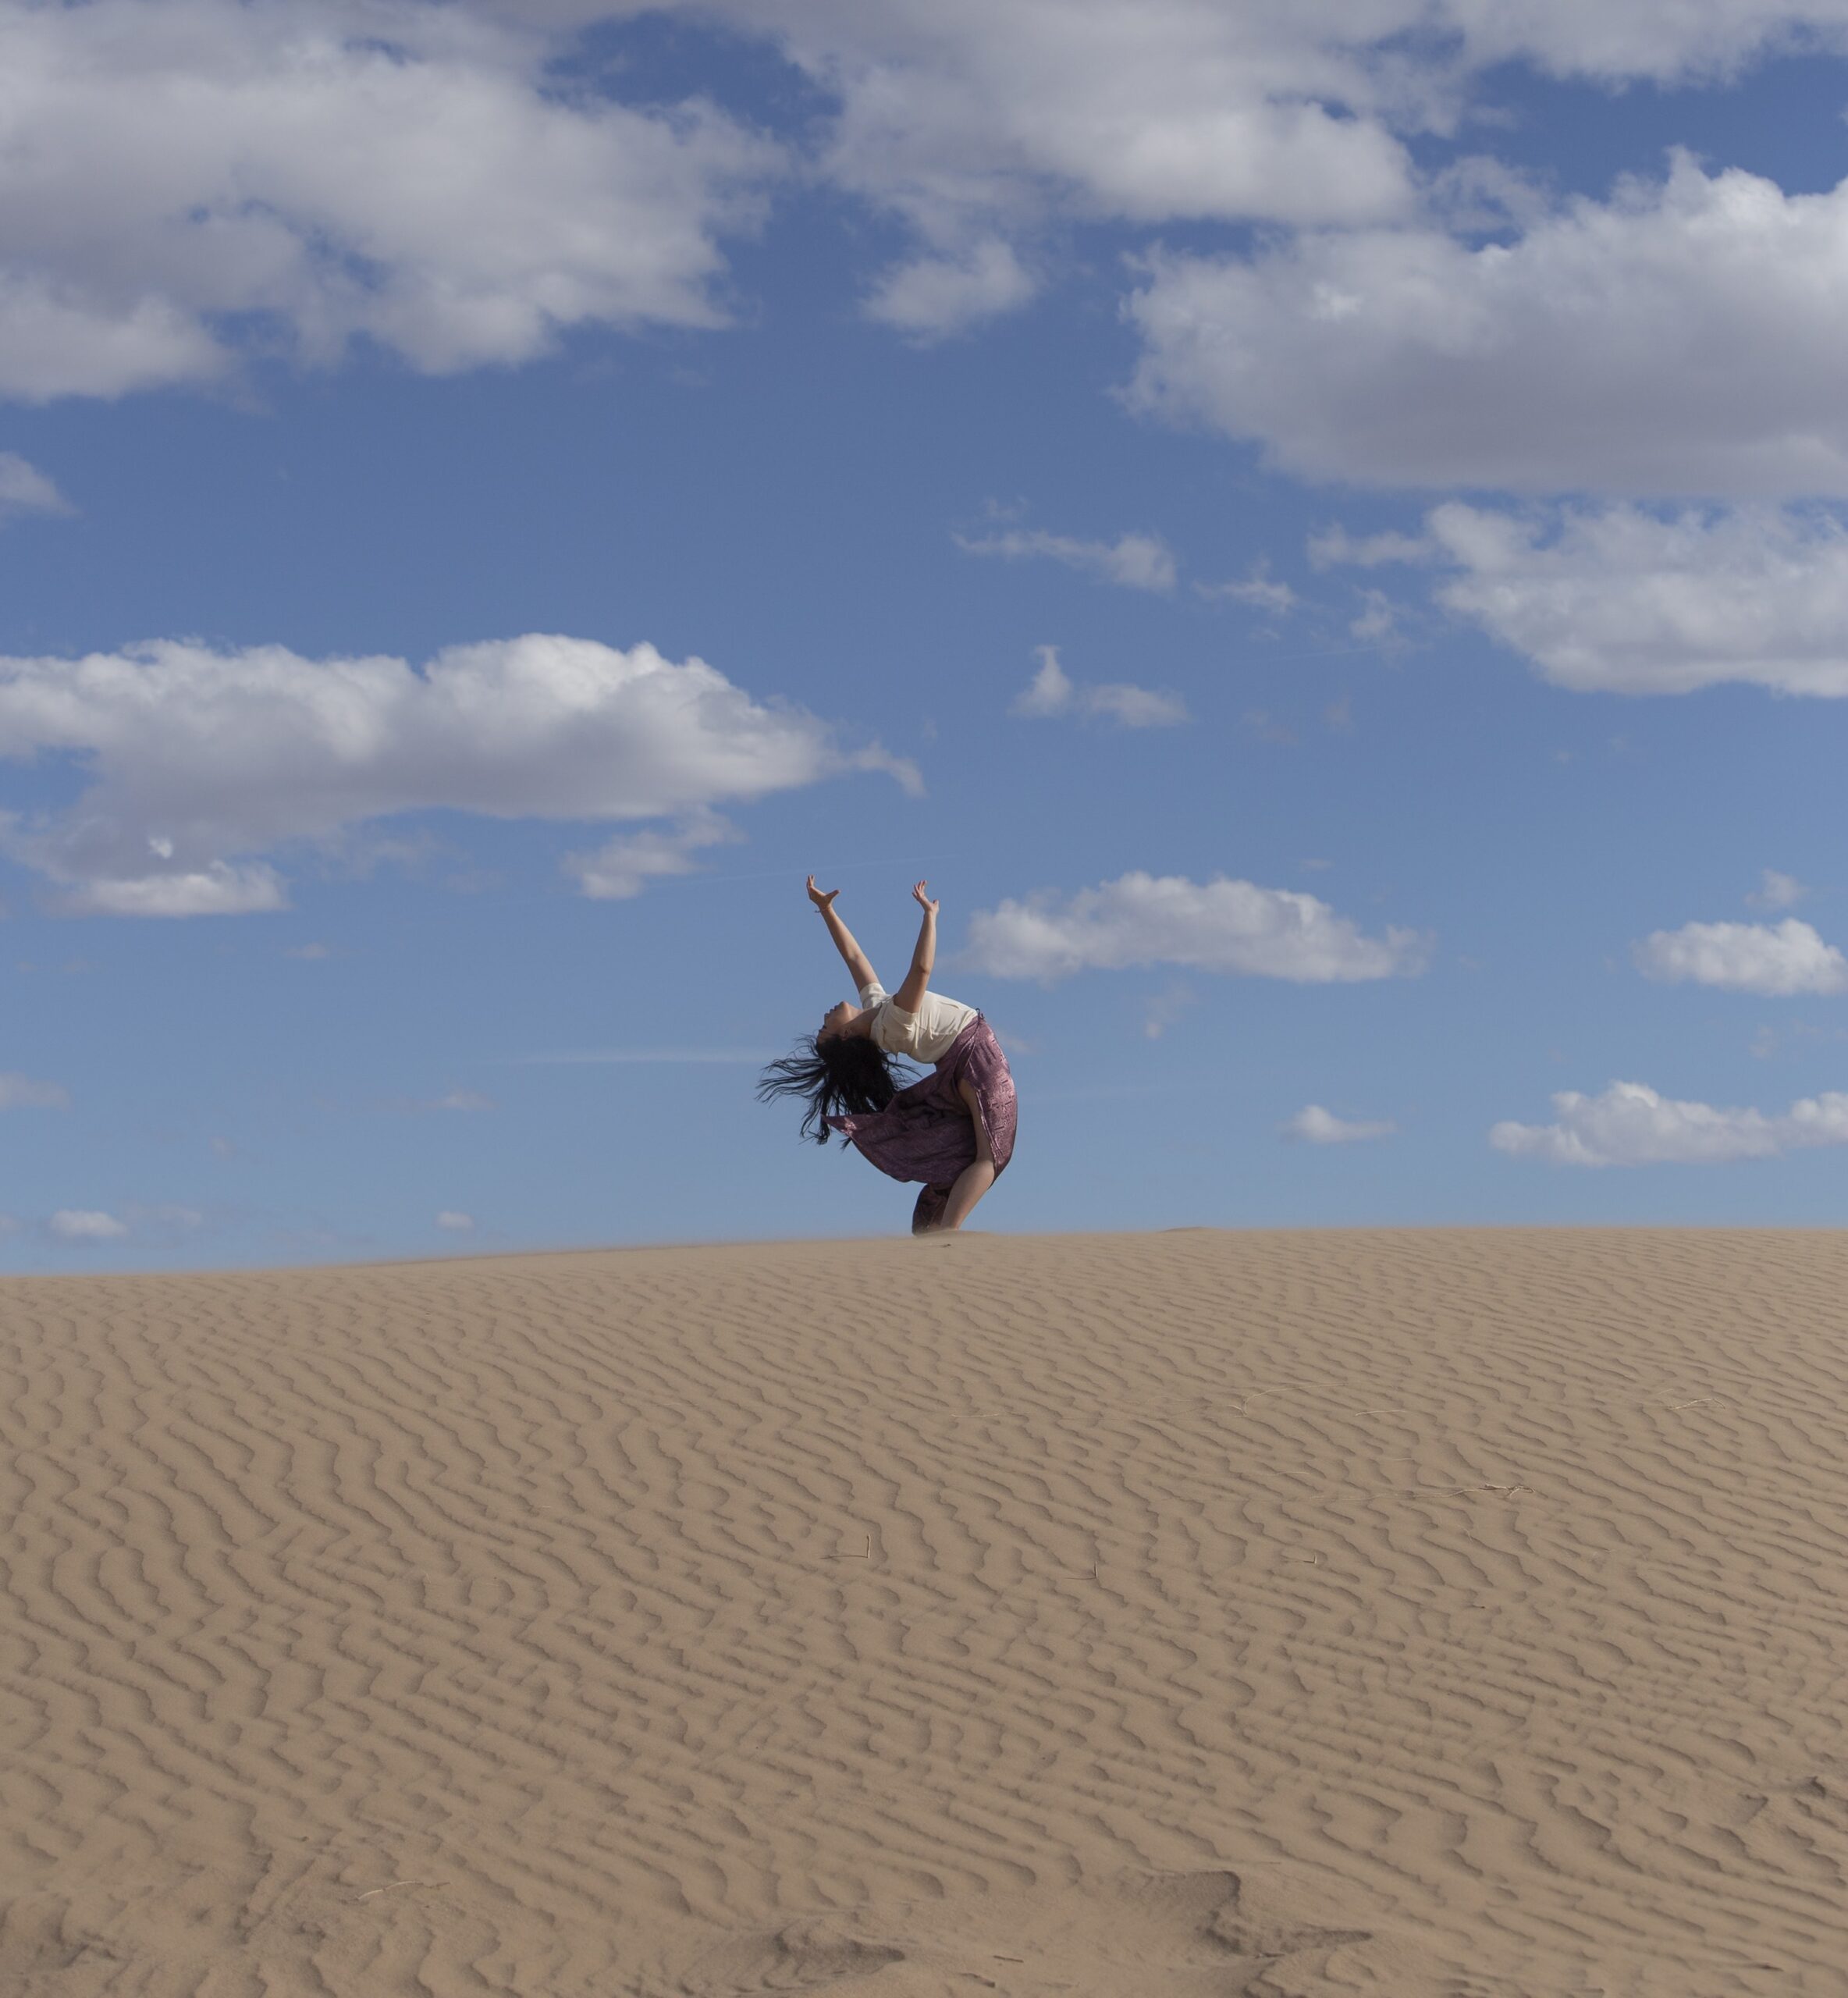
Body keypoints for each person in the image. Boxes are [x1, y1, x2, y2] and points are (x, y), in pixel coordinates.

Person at [757, 876, 1018, 1234]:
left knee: (976, 1154)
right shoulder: (891, 1023)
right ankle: (950, 1235)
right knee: (991, 1158)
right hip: (975, 1057)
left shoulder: (877, 1010)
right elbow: (921, 971)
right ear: (846, 1035)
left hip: (962, 1062)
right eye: (826, 1027)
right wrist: (930, 917)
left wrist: (826, 910)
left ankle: (934, 1225)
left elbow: (854, 956)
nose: (824, 1016)